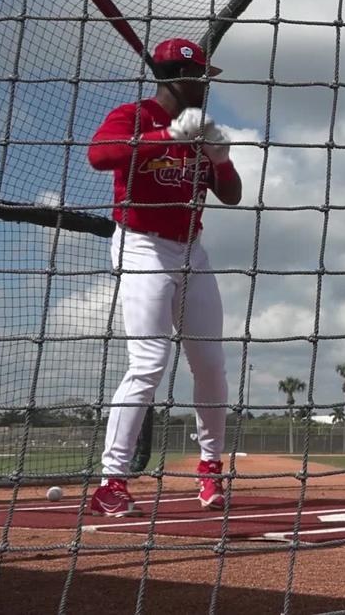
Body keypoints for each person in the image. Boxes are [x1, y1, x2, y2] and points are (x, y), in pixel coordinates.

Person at [86, 38, 241, 517]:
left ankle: (210, 470)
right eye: (199, 78)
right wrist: (168, 137)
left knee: (210, 363)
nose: (205, 87)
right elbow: (100, 155)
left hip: (192, 249)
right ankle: (111, 482)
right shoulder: (132, 116)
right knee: (149, 361)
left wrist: (218, 156)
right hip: (142, 242)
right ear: (178, 77)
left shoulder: (202, 127)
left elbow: (232, 195)